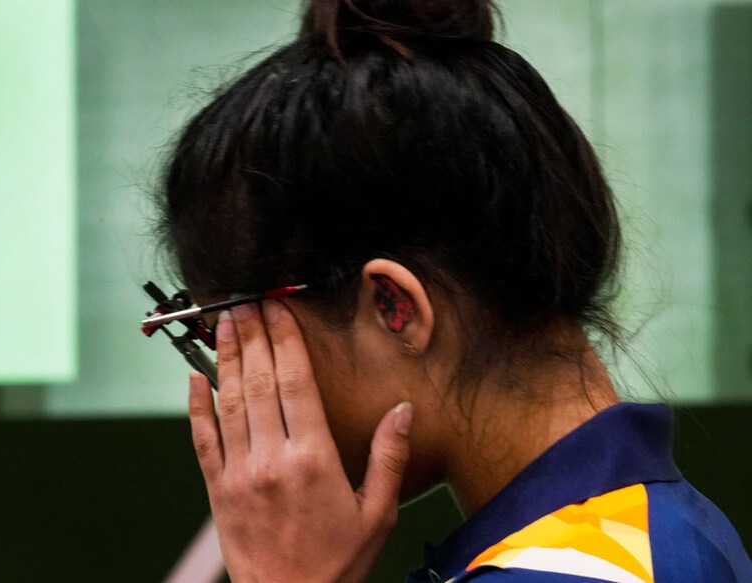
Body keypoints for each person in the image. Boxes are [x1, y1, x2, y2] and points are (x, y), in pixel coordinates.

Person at [150, 0, 752, 581]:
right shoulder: (635, 534)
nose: (232, 381)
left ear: (395, 307)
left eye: (226, 327)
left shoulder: (575, 572)